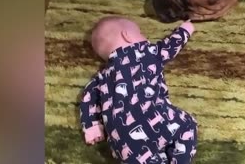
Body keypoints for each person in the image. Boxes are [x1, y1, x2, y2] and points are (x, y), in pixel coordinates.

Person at [80, 16, 198, 163]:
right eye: (141, 32)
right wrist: (185, 29)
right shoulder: (144, 52)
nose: (144, 37)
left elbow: (88, 97)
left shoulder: (102, 76)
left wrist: (92, 127)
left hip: (122, 142)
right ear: (127, 36)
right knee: (187, 125)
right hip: (155, 118)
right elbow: (170, 46)